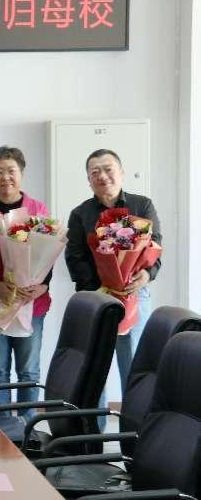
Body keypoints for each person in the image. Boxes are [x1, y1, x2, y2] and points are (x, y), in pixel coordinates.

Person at [65, 149, 162, 394]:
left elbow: (155, 244)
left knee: (133, 364)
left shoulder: (142, 205)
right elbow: (75, 257)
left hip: (134, 293)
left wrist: (146, 275)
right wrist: (100, 289)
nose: (102, 176)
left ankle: (132, 418)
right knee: (94, 368)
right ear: (89, 180)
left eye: (108, 169)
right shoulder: (80, 214)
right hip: (96, 296)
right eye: (94, 172)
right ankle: (95, 419)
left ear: (121, 173)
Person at [0, 147, 51, 419]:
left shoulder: (37, 210)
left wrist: (43, 285)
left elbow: (48, 252)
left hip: (31, 301)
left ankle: (27, 428)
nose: (5, 177)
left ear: (22, 173)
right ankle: (3, 427)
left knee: (28, 370)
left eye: (11, 171)